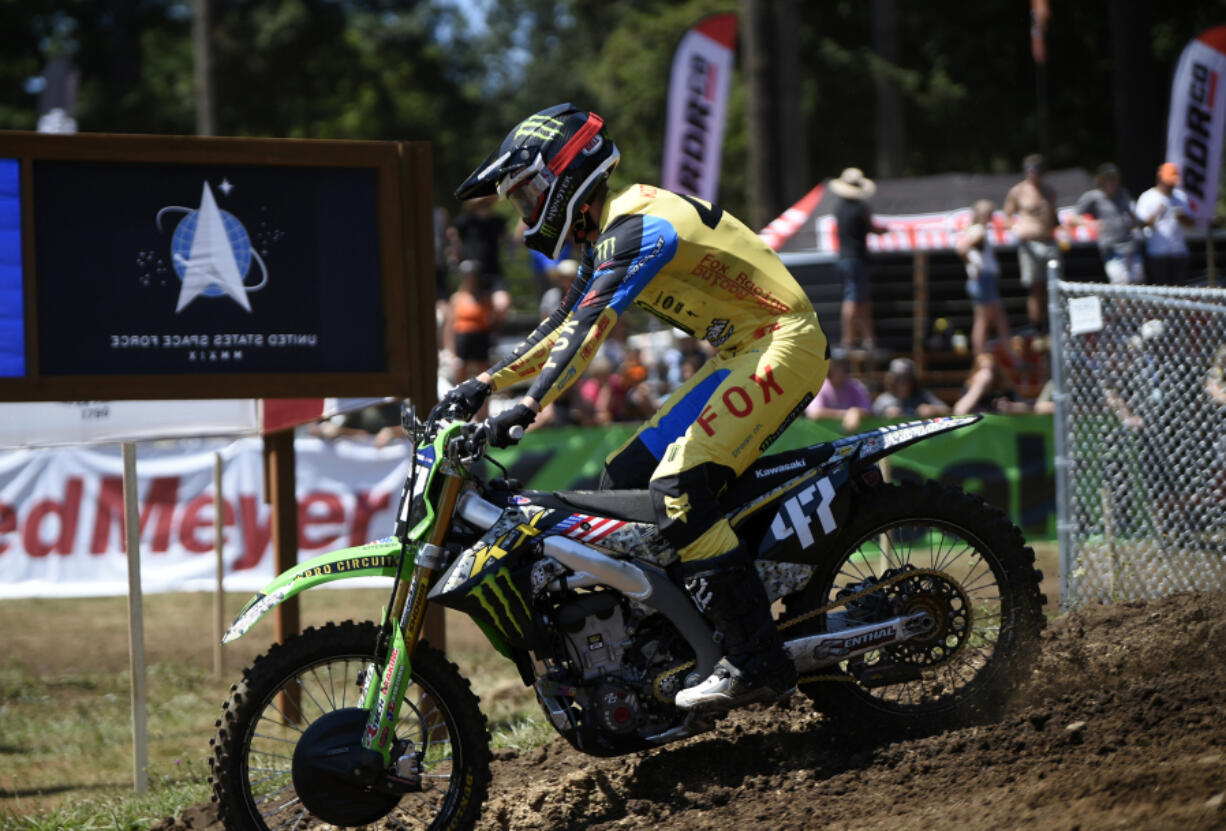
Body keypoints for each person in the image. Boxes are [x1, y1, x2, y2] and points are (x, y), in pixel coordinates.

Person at [440, 103, 830, 711]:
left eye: (527, 194)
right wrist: (486, 382)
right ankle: (679, 645)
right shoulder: (613, 230)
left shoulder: (635, 227)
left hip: (784, 339)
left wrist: (530, 402)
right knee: (623, 478)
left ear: (566, 176)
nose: (524, 213)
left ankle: (755, 660)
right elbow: (562, 323)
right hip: (743, 348)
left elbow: (587, 330)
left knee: (679, 488)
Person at [830, 167, 887, 352]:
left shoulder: (839, 209)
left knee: (860, 299)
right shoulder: (861, 208)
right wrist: (883, 230)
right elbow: (872, 227)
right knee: (854, 299)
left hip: (845, 258)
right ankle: (849, 340)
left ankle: (867, 339)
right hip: (856, 259)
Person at [1003, 154, 1060, 335]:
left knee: (1052, 286)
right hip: (1030, 244)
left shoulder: (1049, 190)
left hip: (1049, 241)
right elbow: (1007, 216)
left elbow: (1054, 216)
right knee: (1035, 288)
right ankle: (1038, 328)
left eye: (1036, 170)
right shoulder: (1018, 191)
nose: (1033, 174)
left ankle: (1052, 325)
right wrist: (1016, 229)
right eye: (1030, 170)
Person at [955, 199, 1014, 357]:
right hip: (983, 280)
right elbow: (961, 248)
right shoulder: (978, 230)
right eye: (988, 214)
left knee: (998, 320)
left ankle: (1008, 355)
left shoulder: (974, 229)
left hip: (984, 280)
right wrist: (974, 266)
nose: (990, 217)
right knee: (984, 321)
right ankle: (982, 357)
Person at [1072, 163, 1144, 285]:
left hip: (1130, 246)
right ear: (1101, 181)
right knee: (1120, 282)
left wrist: (1134, 222)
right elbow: (1073, 218)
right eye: (1108, 179)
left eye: (1114, 179)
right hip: (1111, 247)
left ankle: (1132, 305)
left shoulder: (1123, 194)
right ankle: (1120, 305)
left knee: (1137, 281)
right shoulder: (1093, 197)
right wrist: (1090, 223)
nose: (1111, 183)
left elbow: (1133, 215)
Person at [448, 195, 513, 325]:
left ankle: (491, 334)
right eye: (482, 204)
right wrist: (455, 256)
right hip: (471, 273)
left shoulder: (497, 221)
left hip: (493, 271)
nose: (485, 207)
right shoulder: (465, 221)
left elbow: (509, 240)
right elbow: (452, 235)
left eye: (487, 204)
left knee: (503, 304)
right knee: (458, 305)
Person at [1135, 162, 1195, 285]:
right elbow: (1140, 224)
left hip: (1179, 252)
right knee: (1161, 291)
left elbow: (1192, 223)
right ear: (1160, 179)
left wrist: (1182, 217)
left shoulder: (1180, 197)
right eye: (1168, 182)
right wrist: (1157, 212)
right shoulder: (1148, 197)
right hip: (1157, 253)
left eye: (1172, 183)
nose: (1170, 186)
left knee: (1179, 290)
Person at [805, 349, 872, 432]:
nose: (842, 369)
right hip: (822, 438)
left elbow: (868, 411)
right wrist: (847, 414)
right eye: (838, 365)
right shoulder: (820, 386)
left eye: (845, 365)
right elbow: (814, 414)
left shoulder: (857, 386)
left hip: (851, 439)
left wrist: (856, 412)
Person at [872, 357, 951, 419]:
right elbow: (870, 418)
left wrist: (933, 409)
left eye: (906, 378)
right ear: (891, 380)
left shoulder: (923, 396)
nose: (902, 383)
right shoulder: (883, 400)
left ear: (913, 380)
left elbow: (947, 410)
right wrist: (884, 415)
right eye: (898, 379)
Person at [953, 352, 1029, 415]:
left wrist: (1010, 407)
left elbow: (1026, 408)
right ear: (976, 372)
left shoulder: (1003, 387)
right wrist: (978, 387)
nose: (987, 374)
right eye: (983, 368)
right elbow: (959, 411)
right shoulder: (970, 386)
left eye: (991, 369)